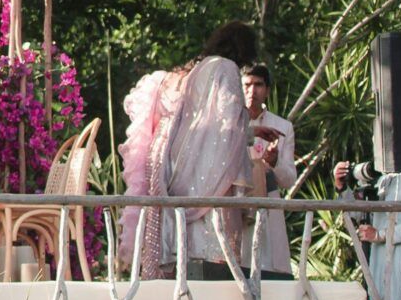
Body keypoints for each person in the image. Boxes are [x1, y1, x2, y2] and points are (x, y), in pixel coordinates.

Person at [120, 22, 260, 279]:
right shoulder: (226, 69)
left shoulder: (198, 68)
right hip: (210, 162)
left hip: (179, 157)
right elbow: (229, 123)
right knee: (213, 233)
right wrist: (236, 170)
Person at [243, 63, 299, 278]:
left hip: (269, 202)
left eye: (258, 85)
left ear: (267, 89)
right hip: (238, 203)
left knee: (270, 271)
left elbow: (288, 180)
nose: (252, 91)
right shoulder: (229, 125)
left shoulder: (283, 127)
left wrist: (274, 163)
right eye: (247, 85)